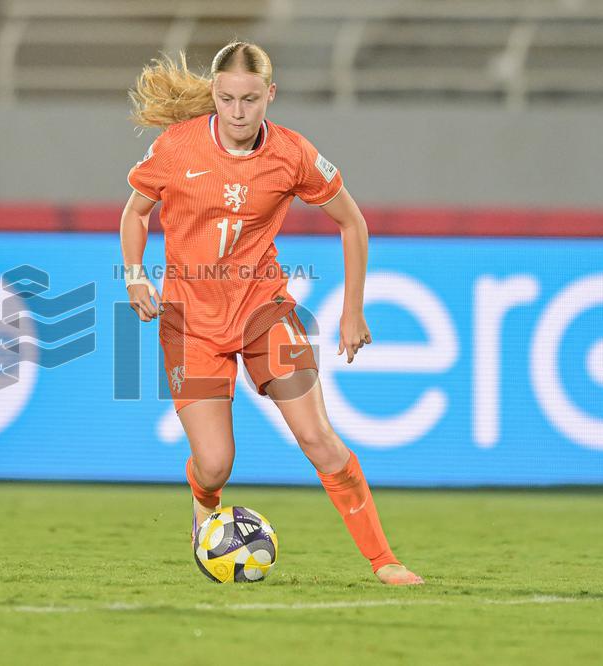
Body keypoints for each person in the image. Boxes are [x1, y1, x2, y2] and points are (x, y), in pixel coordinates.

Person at [121, 42, 422, 585]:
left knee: (318, 438)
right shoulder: (177, 146)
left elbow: (352, 223)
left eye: (250, 100)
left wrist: (353, 310)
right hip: (190, 322)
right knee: (215, 463)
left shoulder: (293, 154)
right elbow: (136, 212)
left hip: (264, 311)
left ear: (271, 95)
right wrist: (135, 274)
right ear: (214, 94)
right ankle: (204, 505)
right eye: (227, 99)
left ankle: (385, 561)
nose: (238, 112)